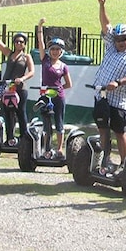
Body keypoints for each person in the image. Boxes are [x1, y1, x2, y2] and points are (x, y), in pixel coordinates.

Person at [92, 0, 126, 173]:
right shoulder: (111, 47)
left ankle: (124, 164)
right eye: (118, 39)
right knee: (103, 130)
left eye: (124, 39)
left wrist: (118, 82)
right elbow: (105, 25)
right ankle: (104, 160)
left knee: (119, 132)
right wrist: (102, 6)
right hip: (102, 97)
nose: (121, 42)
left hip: (119, 101)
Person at [0, 19, 35, 145]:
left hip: (19, 87)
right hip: (5, 85)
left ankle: (24, 138)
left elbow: (32, 71)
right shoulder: (9, 53)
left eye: (21, 42)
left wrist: (22, 79)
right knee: (6, 111)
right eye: (16, 41)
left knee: (20, 112)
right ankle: (9, 138)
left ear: (25, 44)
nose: (18, 43)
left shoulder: (27, 56)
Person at [37, 17, 73, 158]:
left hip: (58, 96)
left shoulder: (63, 66)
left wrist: (60, 89)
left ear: (61, 52)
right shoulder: (45, 60)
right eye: (52, 49)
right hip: (46, 95)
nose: (55, 52)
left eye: (57, 49)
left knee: (59, 121)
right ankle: (46, 148)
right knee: (46, 122)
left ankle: (59, 149)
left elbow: (69, 84)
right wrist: (40, 27)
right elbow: (40, 42)